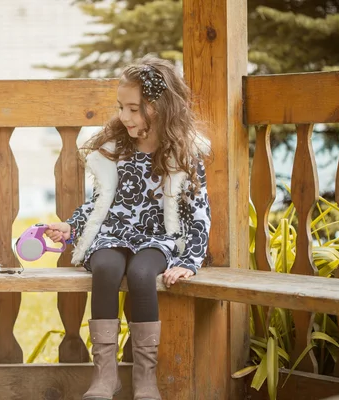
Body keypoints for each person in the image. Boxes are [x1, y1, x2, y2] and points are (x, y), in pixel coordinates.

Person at [44, 54, 211, 400]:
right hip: (113, 233)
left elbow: (198, 213)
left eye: (134, 109)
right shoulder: (115, 148)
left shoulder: (182, 153)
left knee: (140, 274)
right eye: (122, 107)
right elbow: (98, 203)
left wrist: (188, 263)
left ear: (160, 107)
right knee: (105, 267)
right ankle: (105, 376)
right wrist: (70, 227)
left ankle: (145, 379)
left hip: (159, 239)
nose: (124, 116)